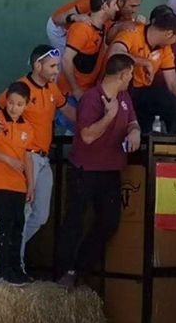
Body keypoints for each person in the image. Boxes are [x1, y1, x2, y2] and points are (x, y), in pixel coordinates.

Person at [0, 45, 76, 275]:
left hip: (44, 158)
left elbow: (71, 113)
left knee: (40, 216)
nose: (57, 71)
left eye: (58, 66)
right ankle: (15, 266)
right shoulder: (20, 87)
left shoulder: (53, 89)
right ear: (37, 65)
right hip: (26, 157)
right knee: (21, 216)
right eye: (53, 66)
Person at [55, 54, 140, 288]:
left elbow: (133, 121)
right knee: (74, 221)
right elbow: (87, 135)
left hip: (111, 170)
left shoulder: (124, 97)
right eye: (131, 74)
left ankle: (82, 269)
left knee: (109, 222)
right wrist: (109, 116)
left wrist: (135, 132)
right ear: (123, 74)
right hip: (85, 169)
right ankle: (65, 271)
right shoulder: (92, 98)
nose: (132, 78)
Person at [0, 82, 35, 285]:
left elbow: (27, 158)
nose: (13, 107)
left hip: (18, 185)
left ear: (26, 105)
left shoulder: (28, 128)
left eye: (19, 104)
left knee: (18, 226)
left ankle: (16, 268)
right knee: (4, 224)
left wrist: (31, 185)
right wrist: (8, 159)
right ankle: (3, 269)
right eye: (11, 102)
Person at [107, 9, 176, 134]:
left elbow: (173, 84)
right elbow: (114, 53)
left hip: (143, 93)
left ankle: (174, 146)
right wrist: (144, 62)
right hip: (120, 91)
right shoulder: (133, 32)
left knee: (174, 106)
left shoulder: (165, 48)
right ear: (168, 34)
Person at [59, 0, 119, 102]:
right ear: (105, 6)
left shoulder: (104, 25)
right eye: (115, 4)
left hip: (87, 91)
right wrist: (76, 90)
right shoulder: (82, 28)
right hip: (71, 95)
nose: (117, 8)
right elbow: (66, 59)